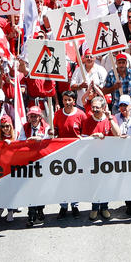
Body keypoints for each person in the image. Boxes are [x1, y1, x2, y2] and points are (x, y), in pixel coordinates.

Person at [83, 96, 119, 221]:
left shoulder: (111, 118)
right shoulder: (88, 121)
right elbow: (83, 141)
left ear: (104, 108)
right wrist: (93, 136)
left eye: (97, 107)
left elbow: (118, 134)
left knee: (105, 184)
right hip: (93, 159)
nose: (94, 110)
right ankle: (94, 207)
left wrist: (109, 118)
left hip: (107, 158)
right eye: (93, 107)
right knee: (94, 184)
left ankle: (104, 207)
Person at [54, 90, 87, 219]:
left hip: (76, 154)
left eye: (70, 100)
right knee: (62, 181)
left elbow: (85, 134)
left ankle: (75, 205)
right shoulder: (57, 114)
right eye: (65, 100)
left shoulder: (81, 115)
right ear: (62, 101)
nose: (67, 102)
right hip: (61, 153)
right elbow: (55, 131)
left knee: (74, 180)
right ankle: (63, 206)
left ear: (74, 101)